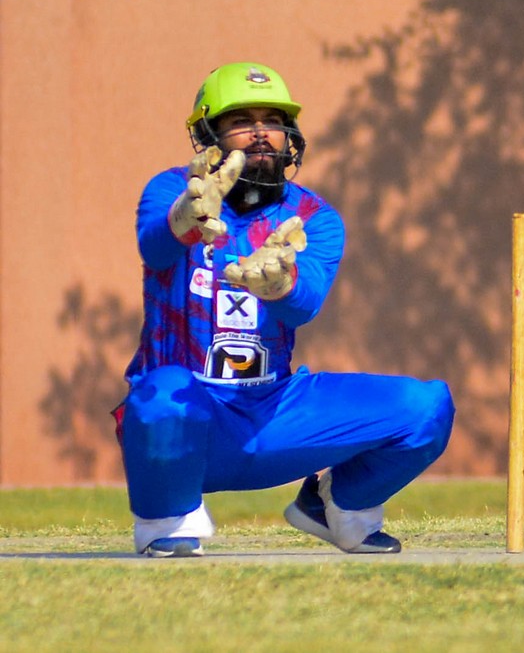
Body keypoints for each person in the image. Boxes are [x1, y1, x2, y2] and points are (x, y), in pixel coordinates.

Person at [118, 62, 455, 557]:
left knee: (425, 408)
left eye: (273, 120)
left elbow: (305, 306)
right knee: (161, 394)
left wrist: (281, 284)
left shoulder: (315, 216)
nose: (260, 133)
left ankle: (338, 507)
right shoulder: (171, 188)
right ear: (207, 134)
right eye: (242, 121)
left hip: (271, 414)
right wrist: (185, 216)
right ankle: (166, 522)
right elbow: (155, 246)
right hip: (184, 419)